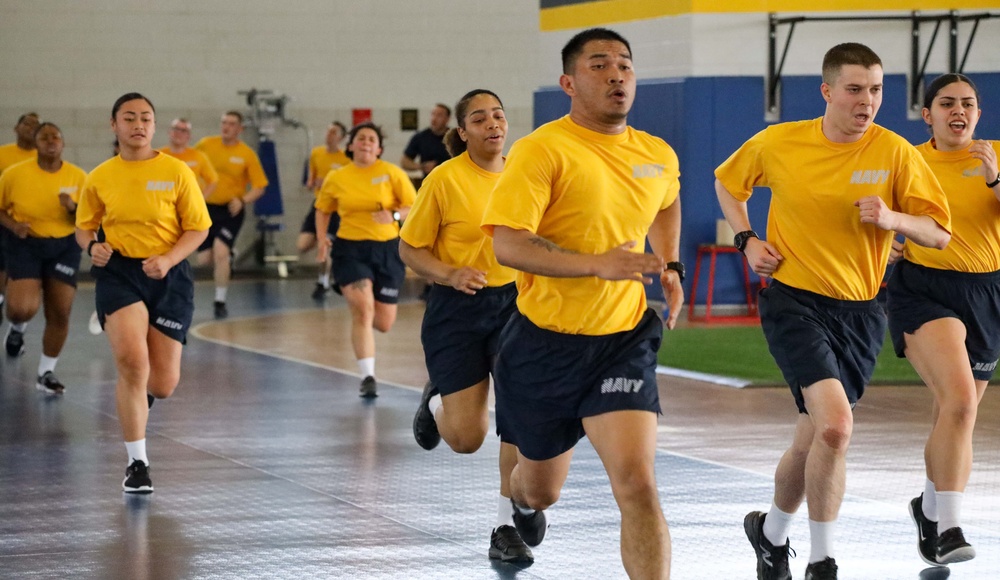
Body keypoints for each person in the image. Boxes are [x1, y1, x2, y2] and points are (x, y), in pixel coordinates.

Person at [714, 43, 951, 580]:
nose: (866, 101)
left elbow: (938, 233)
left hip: (862, 312)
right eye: (854, 90)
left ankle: (771, 534)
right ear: (826, 92)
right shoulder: (780, 142)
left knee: (814, 434)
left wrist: (895, 219)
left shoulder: (894, 153)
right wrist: (747, 239)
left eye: (876, 90)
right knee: (837, 428)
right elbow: (727, 185)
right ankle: (823, 560)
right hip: (793, 300)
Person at [482, 28, 683, 578]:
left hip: (623, 341)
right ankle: (521, 502)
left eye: (624, 65)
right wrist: (597, 262)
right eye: (599, 65)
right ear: (569, 82)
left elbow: (666, 203)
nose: (616, 74)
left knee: (638, 483)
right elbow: (509, 243)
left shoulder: (657, 154)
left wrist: (670, 265)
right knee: (541, 490)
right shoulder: (542, 150)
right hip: (544, 343)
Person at [400, 89, 532, 562]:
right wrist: (449, 273)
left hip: (517, 306)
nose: (492, 124)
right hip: (457, 308)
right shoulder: (443, 179)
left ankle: (505, 524)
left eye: (498, 114)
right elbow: (410, 249)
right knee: (466, 438)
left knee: (518, 410)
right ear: (463, 133)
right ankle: (436, 400)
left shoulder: (525, 174)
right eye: (479, 119)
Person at [886, 73, 1000, 568]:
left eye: (968, 103)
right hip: (925, 291)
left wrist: (996, 178)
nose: (959, 110)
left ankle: (928, 508)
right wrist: (886, 244)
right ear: (927, 112)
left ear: (978, 113)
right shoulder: (907, 160)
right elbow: (880, 218)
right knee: (958, 401)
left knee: (955, 415)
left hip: (988, 292)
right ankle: (950, 526)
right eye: (947, 102)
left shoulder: (994, 154)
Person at [76, 92, 210, 493]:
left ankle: (142, 401)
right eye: (129, 118)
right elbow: (85, 225)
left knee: (163, 383)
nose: (138, 125)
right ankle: (138, 463)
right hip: (120, 274)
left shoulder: (177, 171)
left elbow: (198, 228)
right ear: (114, 125)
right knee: (134, 364)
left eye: (146, 118)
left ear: (154, 126)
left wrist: (168, 260)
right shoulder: (100, 175)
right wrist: (91, 246)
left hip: (168, 275)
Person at [315, 122, 415, 398]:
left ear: (379, 148)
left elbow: (413, 206)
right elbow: (323, 210)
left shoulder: (392, 173)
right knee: (363, 310)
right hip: (350, 249)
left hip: (387, 250)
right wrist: (322, 239)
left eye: (372, 139)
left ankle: (362, 298)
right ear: (351, 145)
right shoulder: (338, 177)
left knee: (383, 322)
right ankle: (368, 376)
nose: (366, 142)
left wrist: (394, 215)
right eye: (361, 138)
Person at [0, 122, 86, 393]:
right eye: (45, 137)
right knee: (21, 308)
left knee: (60, 312)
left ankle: (45, 373)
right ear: (36, 144)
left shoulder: (79, 177)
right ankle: (17, 327)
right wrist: (14, 226)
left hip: (64, 246)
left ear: (63, 143)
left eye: (56, 137)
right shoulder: (15, 175)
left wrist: (73, 208)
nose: (51, 141)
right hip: (25, 243)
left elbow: (89, 217)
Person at [194, 111, 268, 319]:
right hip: (206, 208)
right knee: (203, 260)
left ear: (239, 129)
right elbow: (192, 167)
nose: (226, 127)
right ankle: (230, 255)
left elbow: (260, 187)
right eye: (224, 122)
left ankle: (220, 301)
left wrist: (242, 200)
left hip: (231, 209)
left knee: (220, 252)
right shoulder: (205, 145)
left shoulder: (246, 154)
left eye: (232, 124)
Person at [299, 121, 349, 299]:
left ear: (341, 138)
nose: (329, 135)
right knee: (302, 245)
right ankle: (332, 247)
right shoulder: (316, 153)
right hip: (319, 205)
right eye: (328, 131)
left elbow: (350, 184)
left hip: (336, 209)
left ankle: (323, 281)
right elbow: (310, 181)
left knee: (324, 246)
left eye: (334, 132)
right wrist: (312, 183)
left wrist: (331, 183)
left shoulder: (346, 159)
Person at [0, 113, 41, 323]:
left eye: (36, 126)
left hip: (30, 228)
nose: (30, 128)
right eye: (26, 123)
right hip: (4, 221)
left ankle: (18, 329)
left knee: (23, 278)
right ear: (16, 128)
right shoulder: (3, 154)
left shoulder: (42, 158)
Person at [158, 118, 218, 200]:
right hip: (164, 205)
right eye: (176, 129)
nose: (179, 133)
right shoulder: (158, 155)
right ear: (169, 132)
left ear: (189, 136)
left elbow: (213, 181)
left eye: (183, 130)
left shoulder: (198, 156)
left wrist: (199, 201)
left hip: (188, 205)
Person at [400, 103, 452, 181]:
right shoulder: (421, 137)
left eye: (439, 115)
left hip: (451, 181)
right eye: (433, 114)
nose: (434, 118)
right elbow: (405, 161)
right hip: (430, 181)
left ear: (447, 119)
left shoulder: (455, 137)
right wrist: (421, 166)